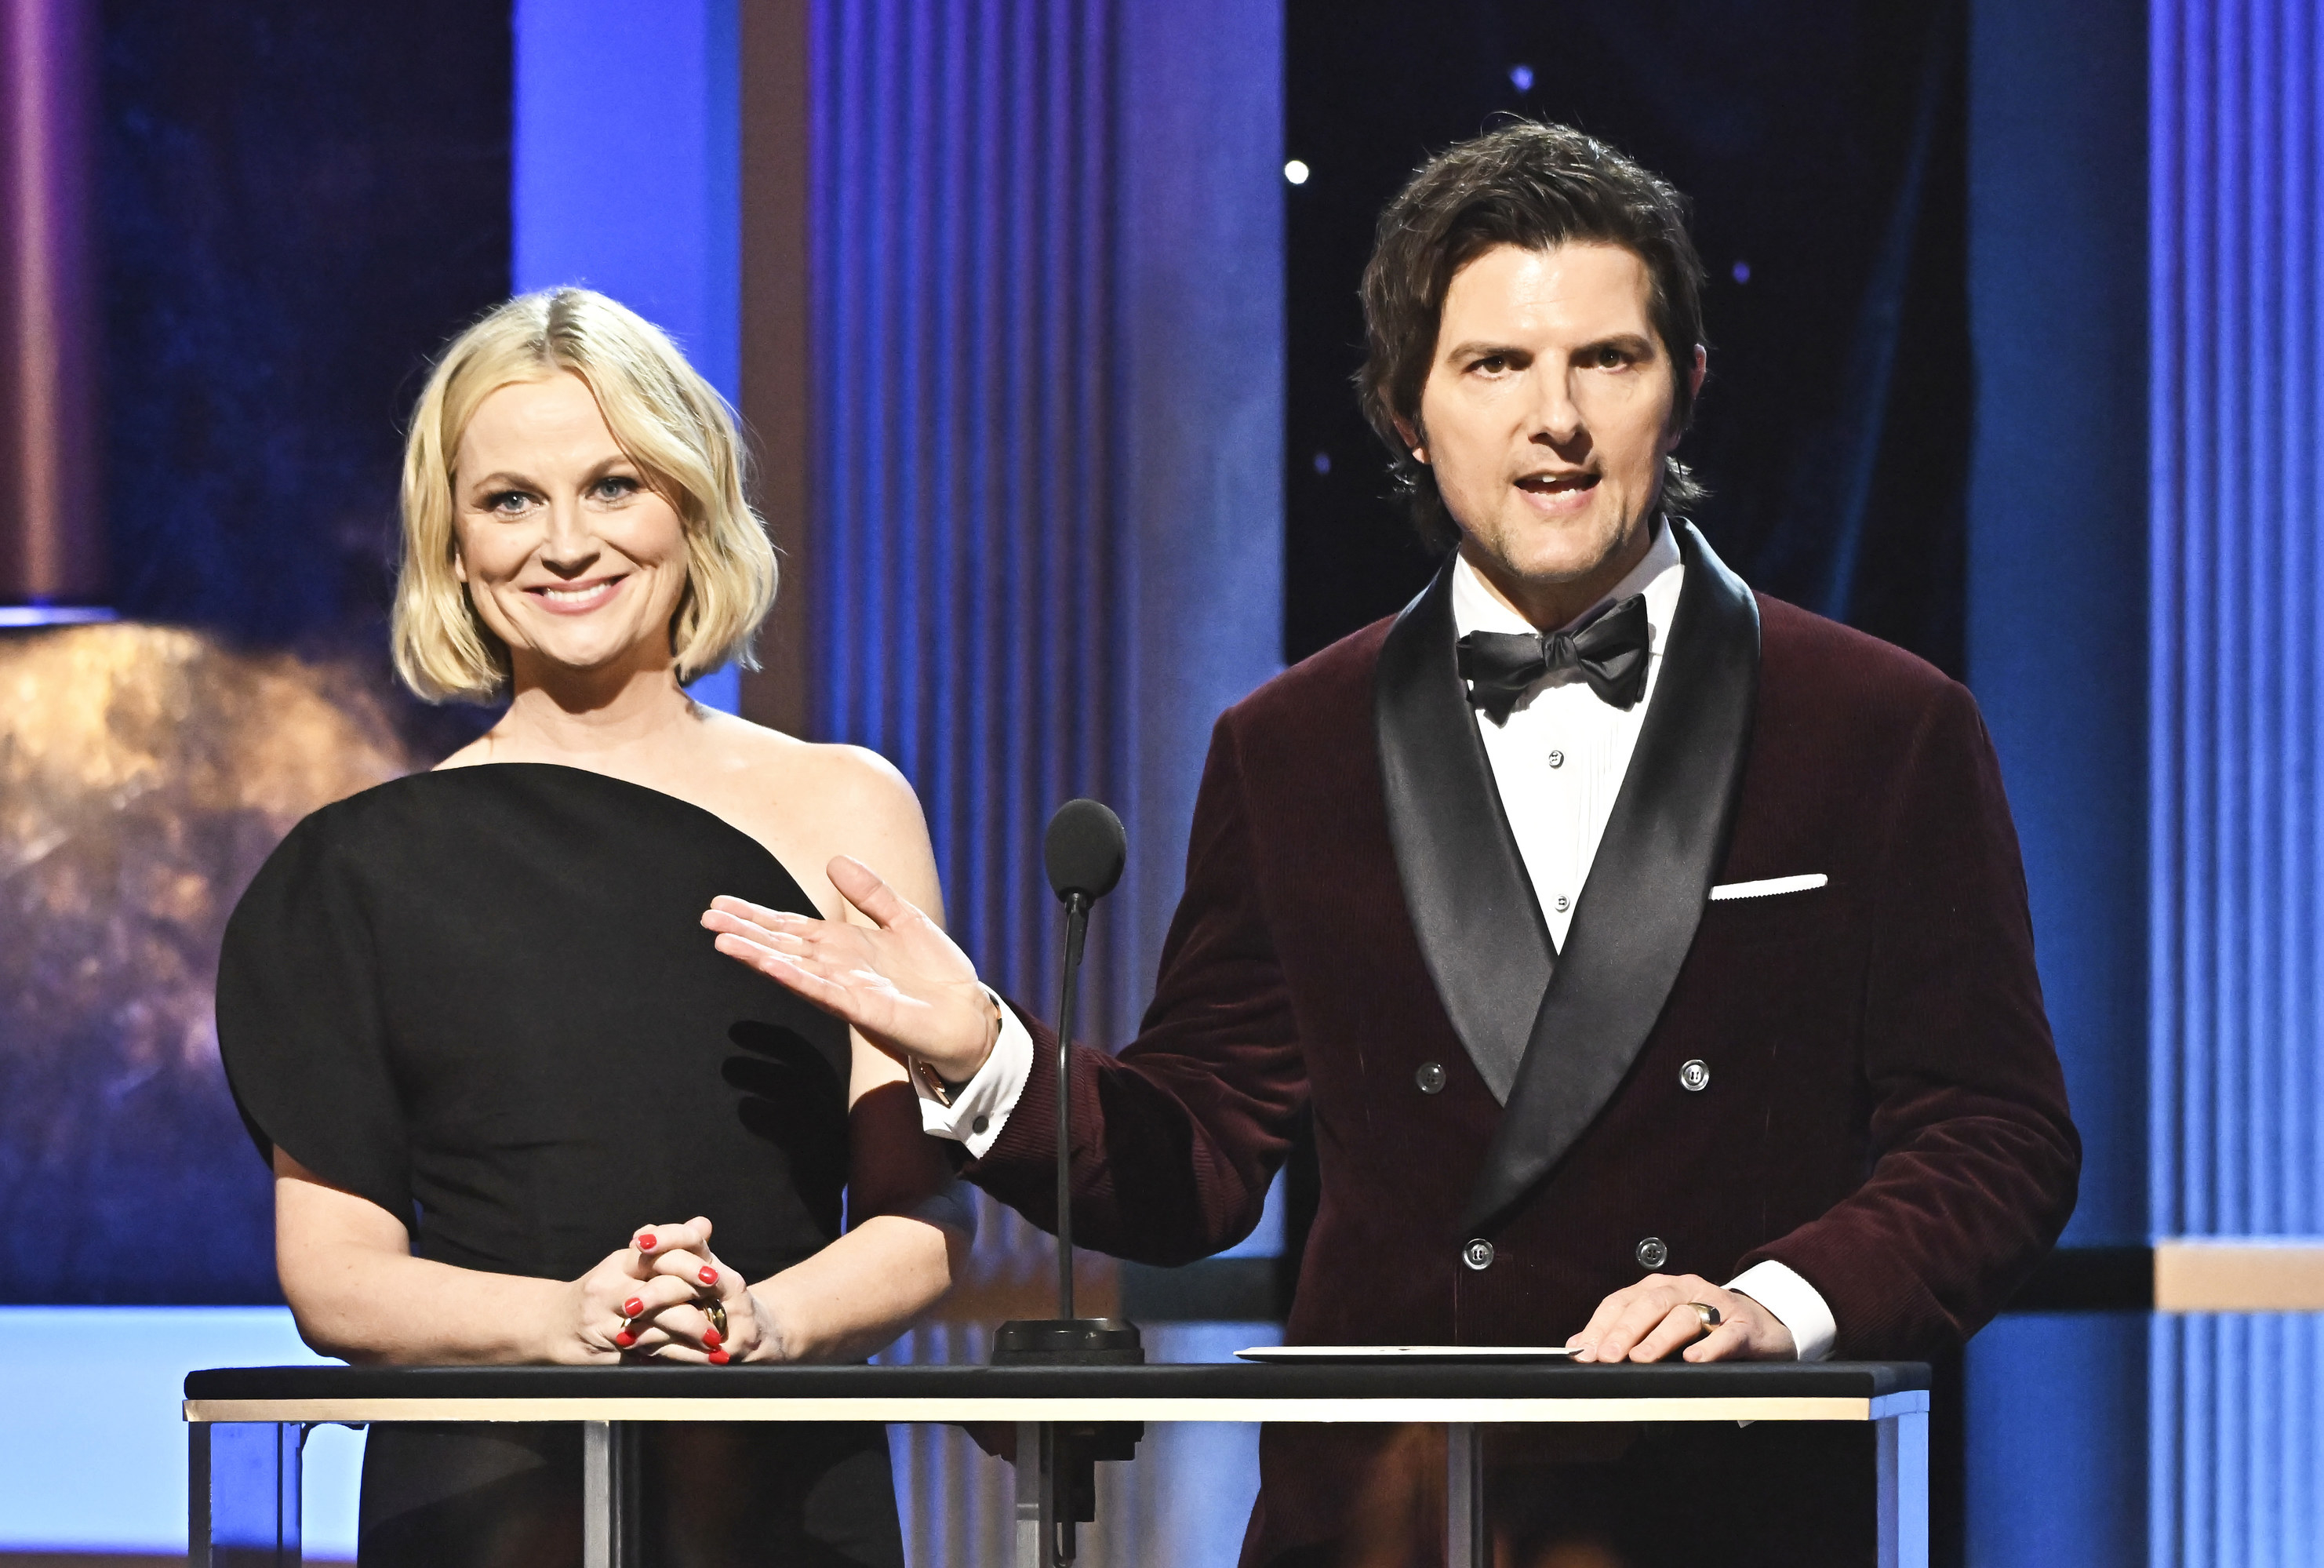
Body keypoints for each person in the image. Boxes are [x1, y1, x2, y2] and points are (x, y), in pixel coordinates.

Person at [706, 125, 2080, 1565]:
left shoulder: (1879, 722)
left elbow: (1998, 1136)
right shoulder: (1290, 742)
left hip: (1725, 1507)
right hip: (1384, 1520)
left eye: (1606, 360)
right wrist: (986, 1052)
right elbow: (1202, 1160)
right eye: (1494, 367)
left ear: (1682, 388)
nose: (1556, 417)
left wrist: (1779, 1303)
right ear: (1407, 410)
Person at [216, 287, 969, 1567]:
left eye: (613, 486)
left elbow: (918, 1221)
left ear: (691, 503)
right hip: (481, 1497)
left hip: (777, 1488)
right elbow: (334, 1278)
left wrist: (762, 1326)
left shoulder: (847, 805)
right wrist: (567, 1322)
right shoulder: (363, 866)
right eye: (510, 500)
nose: (565, 544)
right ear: (453, 542)